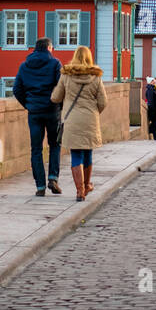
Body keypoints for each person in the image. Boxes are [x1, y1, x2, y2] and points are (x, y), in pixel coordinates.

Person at [51, 46, 108, 202]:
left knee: (76, 154)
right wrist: (94, 113)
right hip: (90, 119)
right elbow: (103, 102)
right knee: (88, 153)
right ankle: (87, 184)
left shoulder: (66, 75)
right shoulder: (96, 77)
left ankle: (79, 191)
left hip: (71, 120)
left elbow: (56, 97)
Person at [13, 37, 63, 197]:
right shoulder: (55, 64)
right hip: (52, 110)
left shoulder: (24, 65)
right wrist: (59, 105)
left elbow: (16, 89)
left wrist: (28, 104)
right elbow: (61, 87)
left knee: (36, 149)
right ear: (49, 48)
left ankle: (40, 185)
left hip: (34, 112)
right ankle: (53, 177)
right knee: (55, 144)